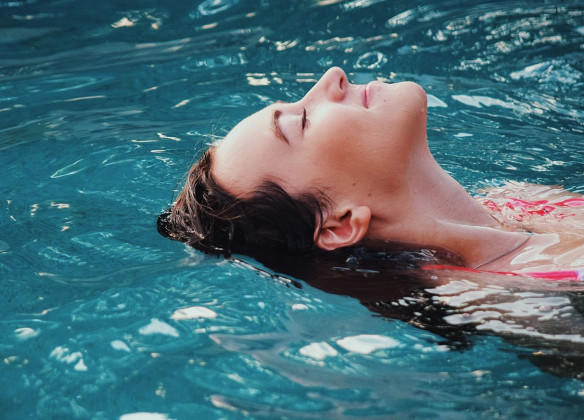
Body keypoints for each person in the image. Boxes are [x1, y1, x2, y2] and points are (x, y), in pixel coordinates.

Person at [158, 67, 584, 280]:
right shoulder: (517, 297)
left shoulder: (524, 198)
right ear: (342, 224)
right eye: (301, 121)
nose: (332, 77)